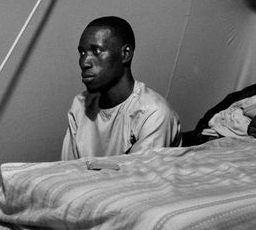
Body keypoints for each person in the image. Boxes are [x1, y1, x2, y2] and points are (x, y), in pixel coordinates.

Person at [61, 16, 181, 160]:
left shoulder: (153, 114)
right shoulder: (80, 105)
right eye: (82, 52)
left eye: (96, 51)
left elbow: (137, 180)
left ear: (125, 54)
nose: (84, 62)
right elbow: (68, 172)